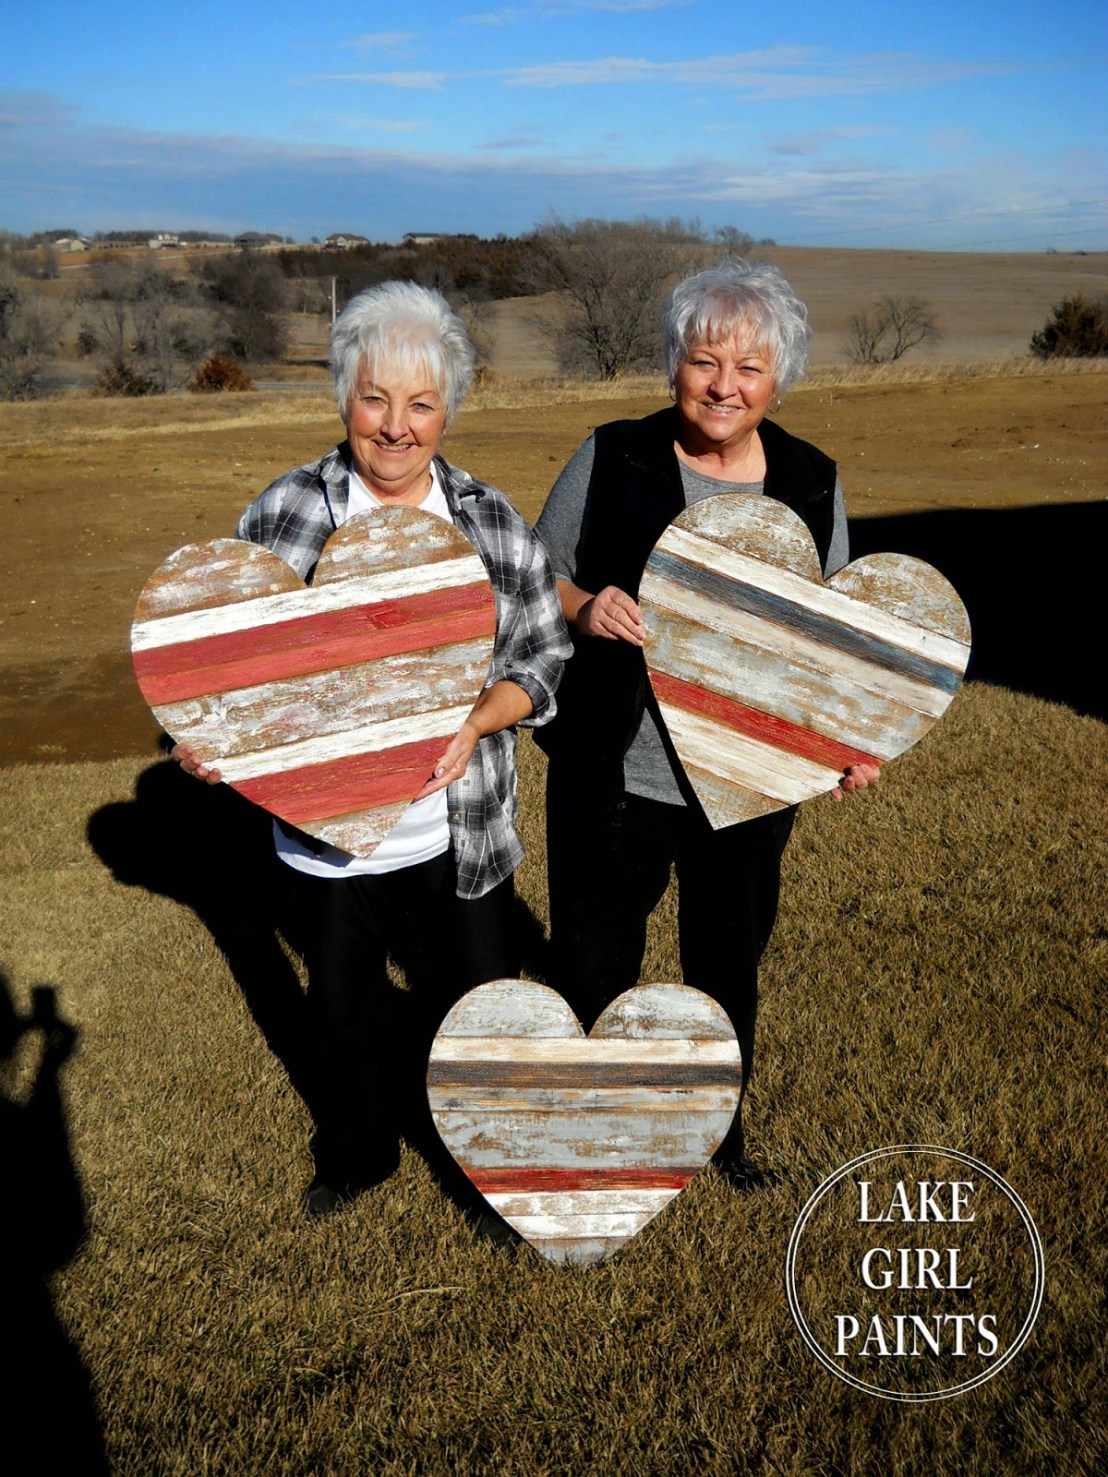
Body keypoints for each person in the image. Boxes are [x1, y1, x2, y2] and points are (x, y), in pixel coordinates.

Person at [175, 281, 570, 1216]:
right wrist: (214, 741)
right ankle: (357, 1152)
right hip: (322, 835)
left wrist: (475, 723)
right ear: (344, 398)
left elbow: (546, 653)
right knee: (344, 1010)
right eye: (375, 398)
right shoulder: (285, 514)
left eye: (421, 403)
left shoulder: (485, 520)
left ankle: (485, 1165)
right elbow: (227, 666)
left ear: (447, 411)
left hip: (455, 828)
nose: (396, 426)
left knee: (474, 1005)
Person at [534, 258, 879, 1189]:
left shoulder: (811, 481)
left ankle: (717, 1135)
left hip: (752, 781)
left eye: (750, 368)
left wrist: (846, 744)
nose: (724, 385)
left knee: (728, 959)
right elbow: (530, 578)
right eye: (704, 360)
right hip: (616, 772)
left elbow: (832, 639)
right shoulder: (612, 455)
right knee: (595, 959)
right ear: (674, 363)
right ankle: (597, 1136)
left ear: (779, 380)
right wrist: (583, 607)